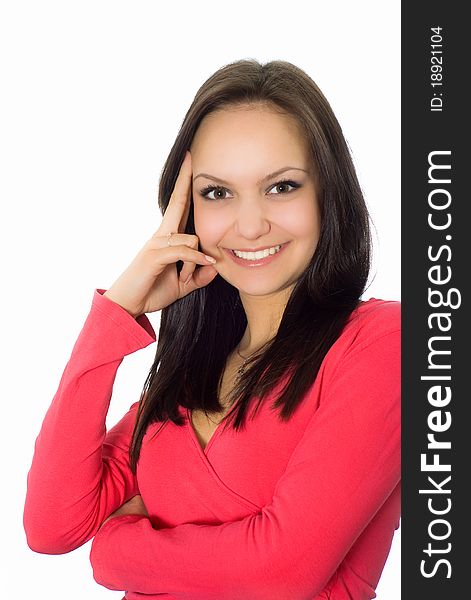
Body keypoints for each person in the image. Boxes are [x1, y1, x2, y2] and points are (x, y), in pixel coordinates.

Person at [23, 59, 400, 599]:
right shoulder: (188, 377)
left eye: (282, 187)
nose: (249, 225)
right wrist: (119, 312)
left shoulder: (383, 344)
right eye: (218, 193)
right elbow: (51, 526)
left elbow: (283, 571)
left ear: (328, 193)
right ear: (186, 213)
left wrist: (115, 551)